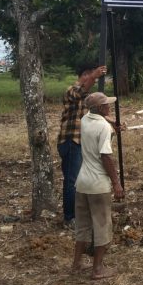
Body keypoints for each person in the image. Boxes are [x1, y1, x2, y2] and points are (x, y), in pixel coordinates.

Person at [71, 92, 125, 280]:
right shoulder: (103, 126)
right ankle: (97, 269)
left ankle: (77, 264)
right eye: (107, 105)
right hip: (98, 185)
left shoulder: (85, 120)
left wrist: (113, 128)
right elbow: (105, 156)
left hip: (82, 183)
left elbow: (100, 127)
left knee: (83, 225)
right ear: (100, 108)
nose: (109, 107)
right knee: (102, 226)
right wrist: (116, 183)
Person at [57, 61, 107, 229]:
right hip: (71, 141)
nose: (93, 80)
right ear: (84, 75)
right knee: (72, 181)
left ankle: (79, 213)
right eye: (90, 76)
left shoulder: (87, 97)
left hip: (81, 143)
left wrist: (114, 123)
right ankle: (69, 217)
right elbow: (80, 91)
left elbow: (96, 115)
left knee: (80, 180)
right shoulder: (71, 90)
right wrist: (94, 76)